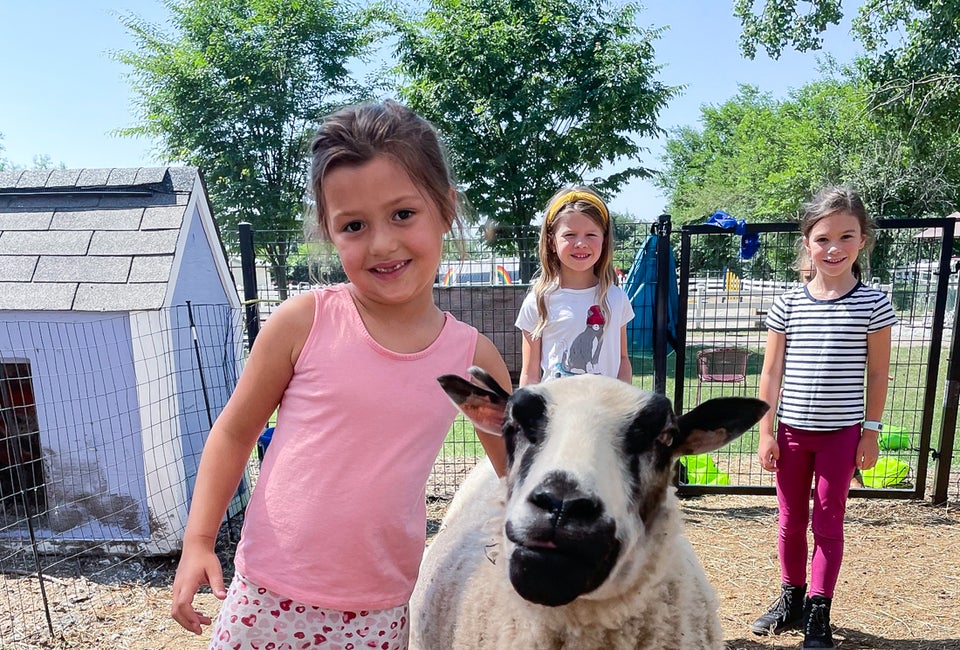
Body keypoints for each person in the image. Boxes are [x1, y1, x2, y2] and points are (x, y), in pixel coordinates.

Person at [170, 100, 510, 649]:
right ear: (331, 234)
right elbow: (234, 432)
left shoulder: (473, 357)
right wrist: (199, 540)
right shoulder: (304, 321)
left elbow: (515, 474)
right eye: (354, 225)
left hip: (378, 611)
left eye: (403, 214)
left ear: (446, 209)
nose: (381, 243)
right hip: (265, 597)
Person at [752, 186, 897, 649]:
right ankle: (790, 598)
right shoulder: (788, 303)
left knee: (828, 523)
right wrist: (766, 431)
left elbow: (877, 375)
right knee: (791, 521)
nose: (833, 248)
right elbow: (772, 371)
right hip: (792, 434)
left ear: (863, 241)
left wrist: (869, 433)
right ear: (807, 242)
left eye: (845, 237)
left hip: (841, 437)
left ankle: (819, 612)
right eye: (822, 239)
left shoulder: (873, 303)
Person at [515, 187, 634, 386]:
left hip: (606, 414)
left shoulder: (617, 298)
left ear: (604, 240)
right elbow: (530, 374)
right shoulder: (537, 301)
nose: (580, 243)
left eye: (591, 235)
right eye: (570, 235)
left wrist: (626, 410)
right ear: (552, 242)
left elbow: (622, 360)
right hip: (558, 413)